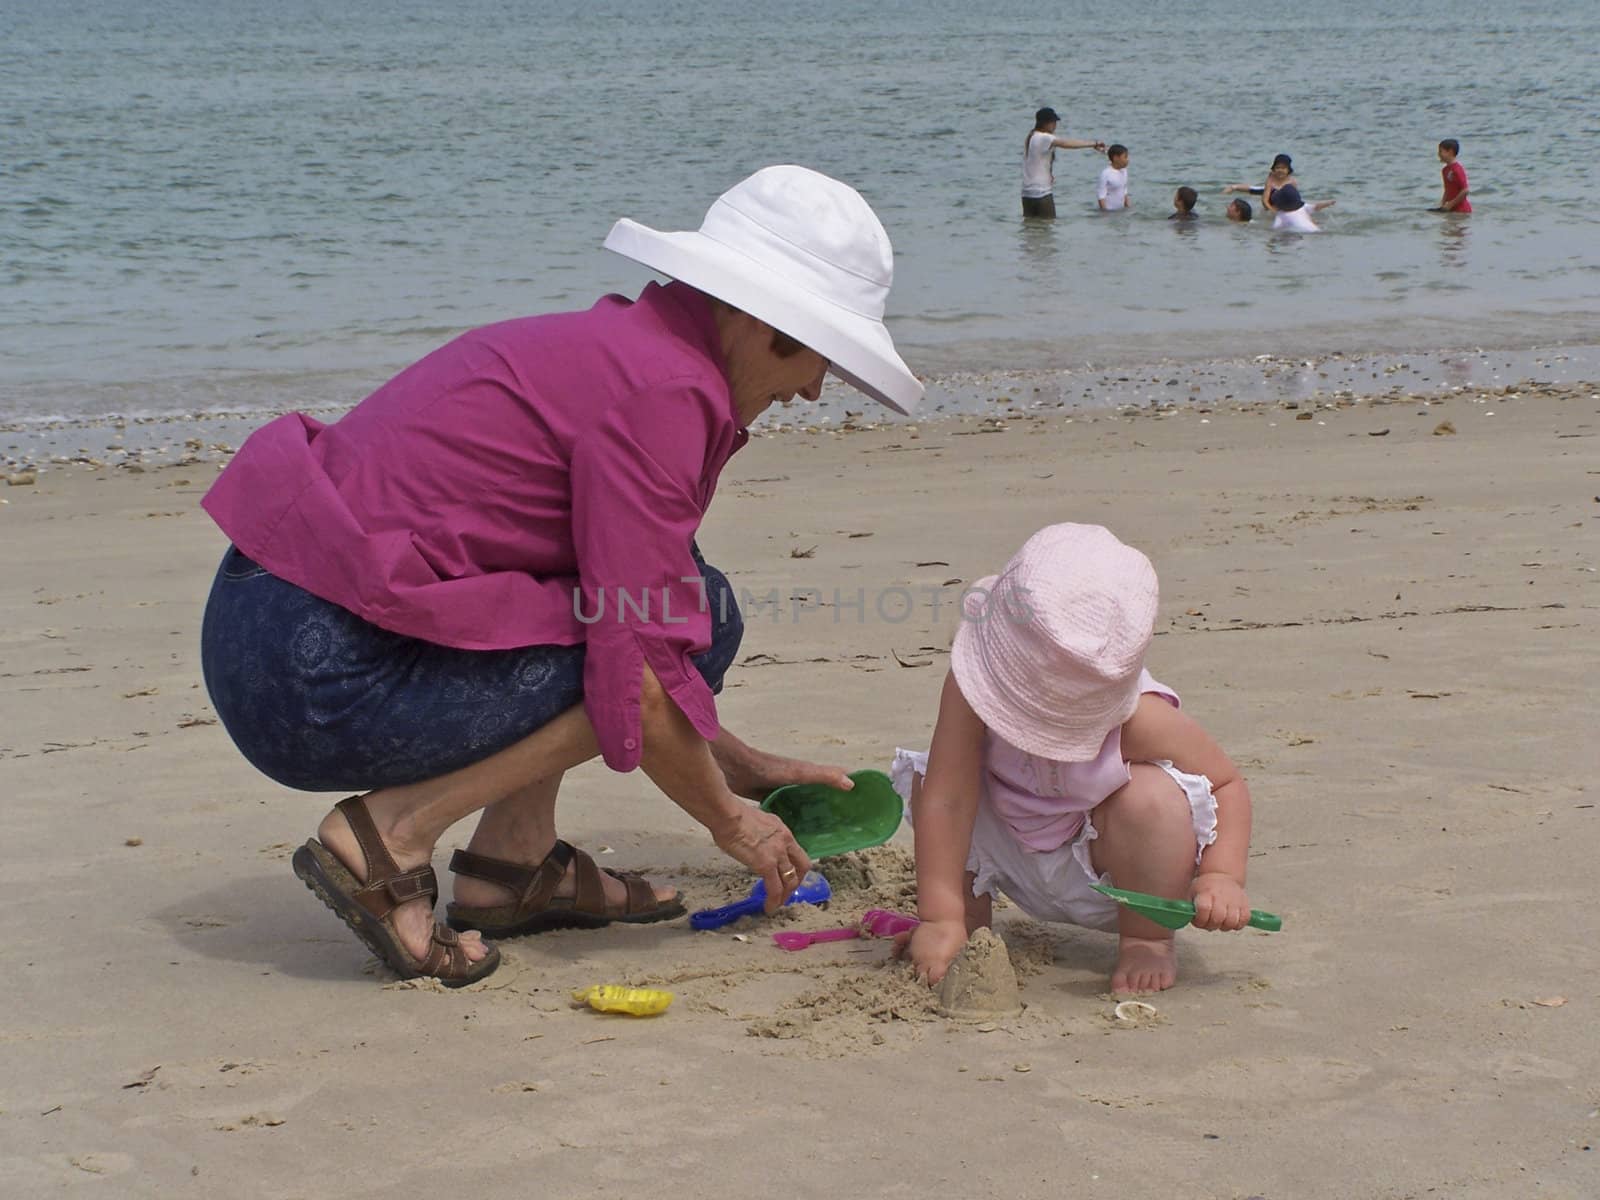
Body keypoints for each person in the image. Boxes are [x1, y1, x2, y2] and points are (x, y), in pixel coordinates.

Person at [198, 165, 925, 986]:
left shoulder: (629, 352)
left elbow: (628, 614)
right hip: (313, 675)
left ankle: (513, 865)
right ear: (768, 326)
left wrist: (741, 763)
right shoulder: (666, 396)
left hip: (268, 624)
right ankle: (389, 836)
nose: (814, 390)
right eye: (821, 359)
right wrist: (734, 823)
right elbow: (639, 671)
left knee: (692, 603)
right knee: (664, 632)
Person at [891, 524, 1255, 995]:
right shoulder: (971, 688)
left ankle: (1146, 940)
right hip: (1009, 850)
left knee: (1153, 802)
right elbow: (947, 799)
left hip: (1110, 874)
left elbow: (1226, 784)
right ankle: (965, 929)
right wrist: (938, 914)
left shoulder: (1141, 719)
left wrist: (1223, 875)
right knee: (932, 782)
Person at [1022, 107, 1106, 219]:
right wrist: (1094, 143)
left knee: (1031, 229)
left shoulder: (1032, 136)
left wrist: (1049, 173)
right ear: (1046, 123)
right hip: (1041, 193)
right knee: (1047, 230)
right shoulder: (1044, 137)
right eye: (1053, 122)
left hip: (1027, 193)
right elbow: (1067, 143)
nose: (1055, 125)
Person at [1268, 182, 1335, 232]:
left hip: (1304, 234)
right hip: (1315, 230)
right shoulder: (1303, 207)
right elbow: (1316, 206)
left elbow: (1275, 229)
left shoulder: (1281, 215)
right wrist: (1328, 203)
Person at [1434, 138, 1471, 213]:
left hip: (1462, 210)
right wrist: (1442, 203)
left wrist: (1450, 204)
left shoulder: (1457, 169)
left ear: (1450, 152)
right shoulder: (1445, 170)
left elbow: (1465, 190)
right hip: (1451, 210)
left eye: (1441, 151)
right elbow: (1447, 190)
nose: (1438, 154)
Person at [1097, 145, 1131, 211]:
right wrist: (1105, 216)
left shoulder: (1124, 170)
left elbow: (1124, 190)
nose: (1128, 160)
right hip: (1109, 213)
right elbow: (1101, 197)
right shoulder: (1106, 174)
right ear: (1116, 158)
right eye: (1125, 157)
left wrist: (1128, 208)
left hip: (1121, 211)